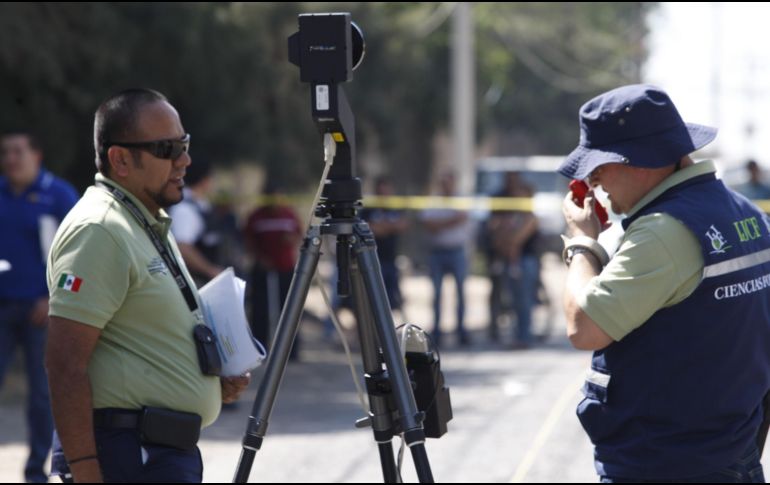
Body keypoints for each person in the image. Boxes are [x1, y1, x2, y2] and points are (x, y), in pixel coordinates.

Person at [560, 84, 770, 482]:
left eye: (599, 165)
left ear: (638, 160)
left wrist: (581, 244)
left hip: (664, 462)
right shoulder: (746, 214)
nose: (594, 181)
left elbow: (583, 327)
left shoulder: (662, 233)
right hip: (731, 452)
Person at [45, 89, 250, 483]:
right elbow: (64, 364)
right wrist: (87, 471)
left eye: (184, 144)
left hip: (157, 453)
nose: (184, 160)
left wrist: (206, 376)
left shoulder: (143, 217)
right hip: (124, 454)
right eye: (167, 148)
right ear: (120, 159)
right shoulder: (100, 229)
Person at [0, 130, 78, 483]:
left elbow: (79, 257)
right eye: (5, 152)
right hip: (2, 308)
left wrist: (52, 298)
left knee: (40, 397)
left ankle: (36, 471)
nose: (11, 158)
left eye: (18, 151)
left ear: (37, 155)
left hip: (41, 312)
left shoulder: (59, 196)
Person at [243, 182, 302, 360]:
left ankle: (291, 351)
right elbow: (248, 240)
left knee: (289, 308)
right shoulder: (256, 216)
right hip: (263, 269)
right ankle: (260, 349)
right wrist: (259, 258)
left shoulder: (289, 214)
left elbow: (299, 234)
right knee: (260, 311)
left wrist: (290, 239)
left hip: (285, 268)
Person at [486, 172, 539, 348]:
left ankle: (524, 336)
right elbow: (497, 238)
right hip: (510, 261)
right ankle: (518, 335)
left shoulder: (530, 218)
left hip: (526, 262)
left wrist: (507, 238)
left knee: (524, 302)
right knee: (514, 302)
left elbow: (515, 239)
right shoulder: (512, 218)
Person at [420, 173, 474, 347]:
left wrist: (442, 223)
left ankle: (461, 330)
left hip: (456, 251)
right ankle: (437, 330)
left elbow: (462, 220)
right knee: (436, 294)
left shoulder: (461, 200)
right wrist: (452, 221)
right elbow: (429, 226)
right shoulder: (433, 201)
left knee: (460, 293)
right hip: (437, 252)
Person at [168, 160, 224, 287]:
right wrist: (210, 270)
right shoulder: (184, 209)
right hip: (195, 283)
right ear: (204, 180)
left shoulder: (202, 204)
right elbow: (183, 247)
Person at [359, 176, 409, 313]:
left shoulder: (395, 205)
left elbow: (403, 225)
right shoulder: (369, 208)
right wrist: (389, 227)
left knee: (393, 299)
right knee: (371, 297)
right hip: (372, 260)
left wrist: (382, 227)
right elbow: (367, 228)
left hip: (391, 259)